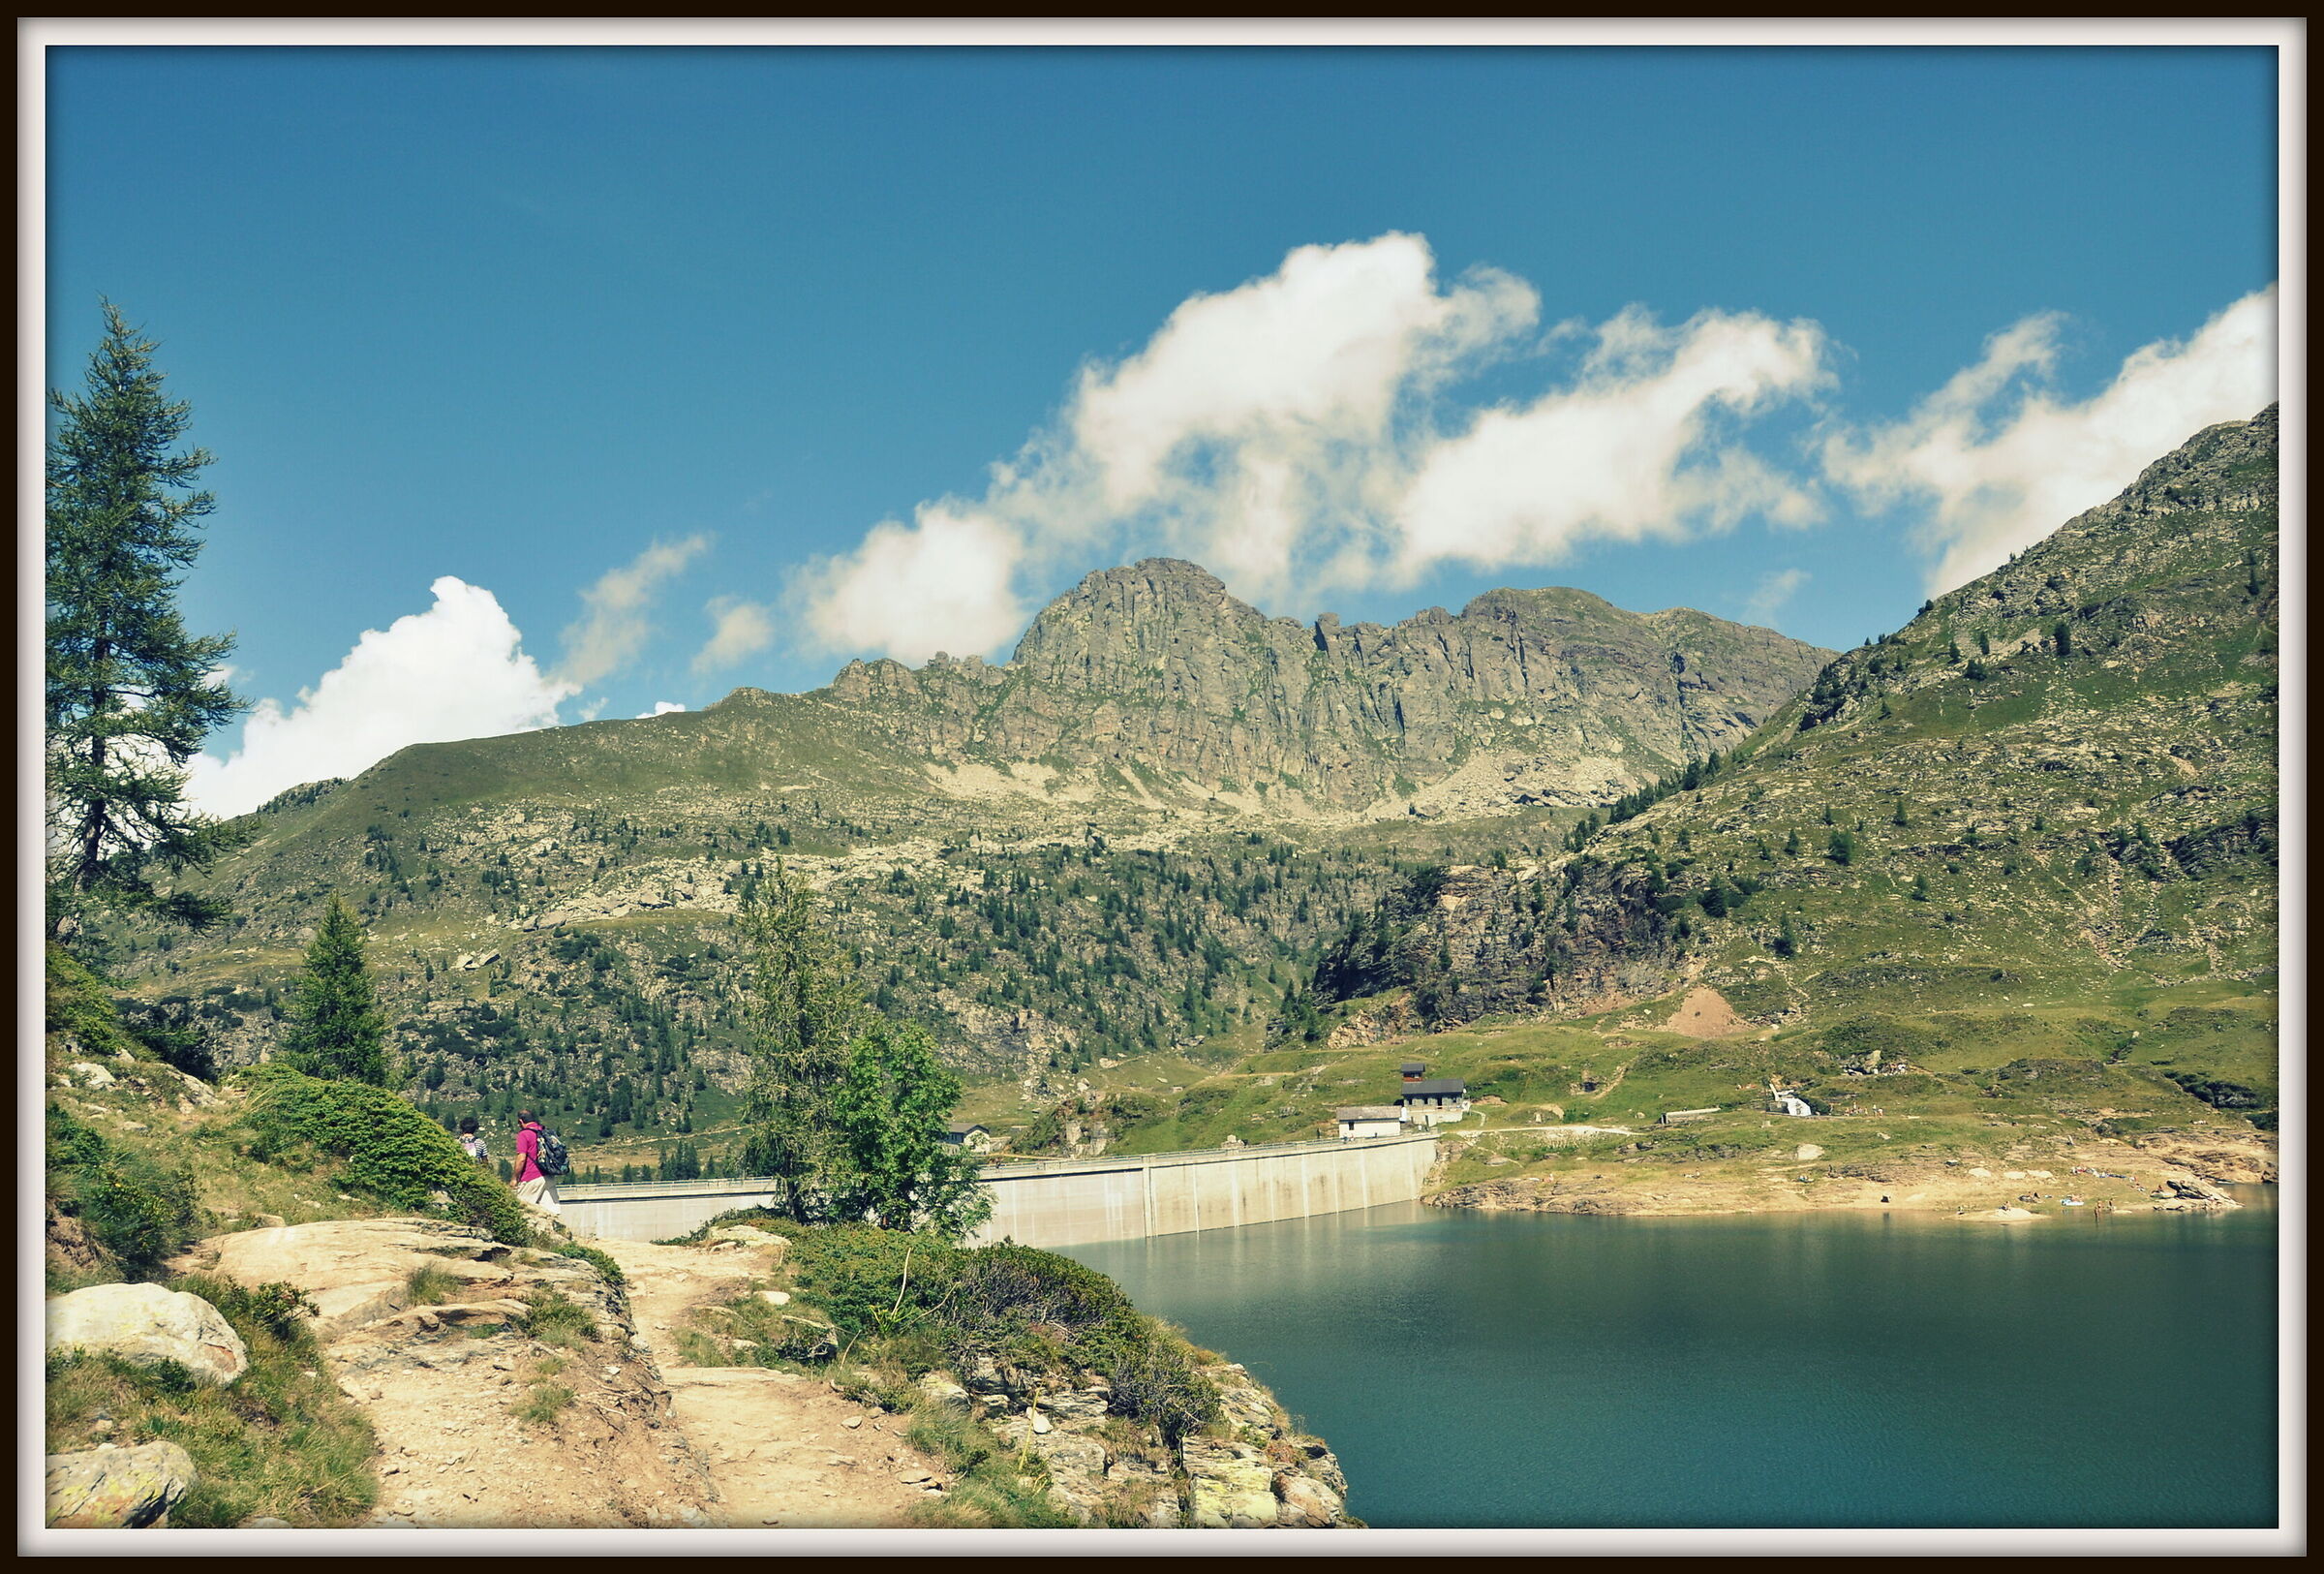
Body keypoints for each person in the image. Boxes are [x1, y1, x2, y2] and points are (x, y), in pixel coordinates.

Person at [513, 1109, 564, 1217]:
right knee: (552, 1213)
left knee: (521, 1212)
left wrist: (515, 1178)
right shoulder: (544, 1131)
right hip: (548, 1176)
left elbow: (521, 1158)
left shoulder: (524, 1134)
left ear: (520, 1121)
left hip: (531, 1177)